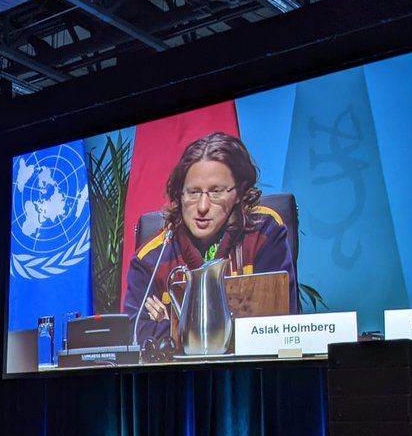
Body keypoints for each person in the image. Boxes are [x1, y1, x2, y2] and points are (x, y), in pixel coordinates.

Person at [124, 132, 296, 349]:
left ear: (239, 193)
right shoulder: (151, 258)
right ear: (179, 195)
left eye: (216, 192)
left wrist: (173, 326)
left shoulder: (264, 232)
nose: (203, 206)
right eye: (193, 192)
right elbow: (136, 335)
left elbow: (279, 326)